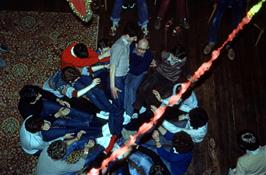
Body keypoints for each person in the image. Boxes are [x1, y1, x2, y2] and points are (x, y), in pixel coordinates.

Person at [36, 135, 103, 175]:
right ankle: (102, 146)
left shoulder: (46, 149)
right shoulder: (61, 166)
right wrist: (86, 150)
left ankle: (93, 139)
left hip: (45, 170)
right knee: (86, 160)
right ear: (63, 155)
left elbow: (64, 144)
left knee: (73, 144)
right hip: (56, 170)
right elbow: (79, 166)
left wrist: (76, 139)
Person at [110, 22, 138, 110]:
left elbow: (113, 52)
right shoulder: (119, 46)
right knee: (119, 100)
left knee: (122, 97)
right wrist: (112, 86)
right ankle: (116, 114)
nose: (135, 39)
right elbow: (112, 67)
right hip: (118, 78)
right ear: (127, 35)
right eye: (134, 37)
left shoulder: (126, 42)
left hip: (123, 76)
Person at [124, 38, 153, 116]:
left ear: (147, 48)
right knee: (125, 87)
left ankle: (129, 114)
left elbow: (139, 70)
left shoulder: (149, 55)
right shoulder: (130, 48)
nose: (141, 51)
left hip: (140, 73)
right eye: (140, 48)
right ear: (136, 45)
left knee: (131, 89)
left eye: (144, 49)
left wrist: (128, 68)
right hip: (129, 71)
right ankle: (124, 109)